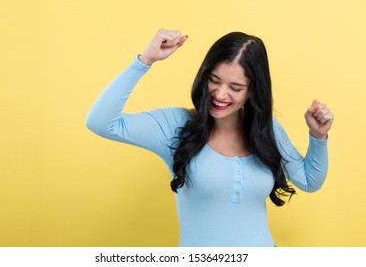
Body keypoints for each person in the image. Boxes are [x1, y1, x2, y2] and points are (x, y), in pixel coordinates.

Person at [86, 28, 334, 247]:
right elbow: (100, 122)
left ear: (253, 90)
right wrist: (144, 60)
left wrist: (317, 135)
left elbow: (309, 180)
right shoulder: (175, 125)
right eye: (214, 81)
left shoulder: (266, 129)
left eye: (235, 88)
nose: (220, 94)